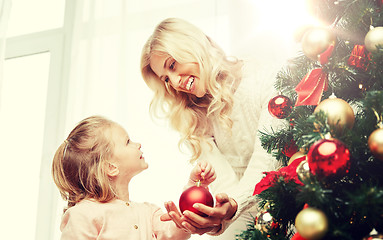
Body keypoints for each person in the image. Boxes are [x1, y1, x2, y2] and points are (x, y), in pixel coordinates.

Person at [140, 18, 285, 238]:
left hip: (294, 196)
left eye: (172, 65)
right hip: (247, 213)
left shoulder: (264, 75)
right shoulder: (192, 116)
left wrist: (232, 206)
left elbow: (268, 160)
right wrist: (214, 218)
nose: (175, 82)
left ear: (192, 45)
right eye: (166, 79)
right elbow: (223, 185)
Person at [52, 115, 217, 240]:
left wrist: (195, 187)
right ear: (111, 167)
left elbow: (178, 228)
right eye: (127, 141)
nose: (137, 144)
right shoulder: (83, 215)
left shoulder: (148, 213)